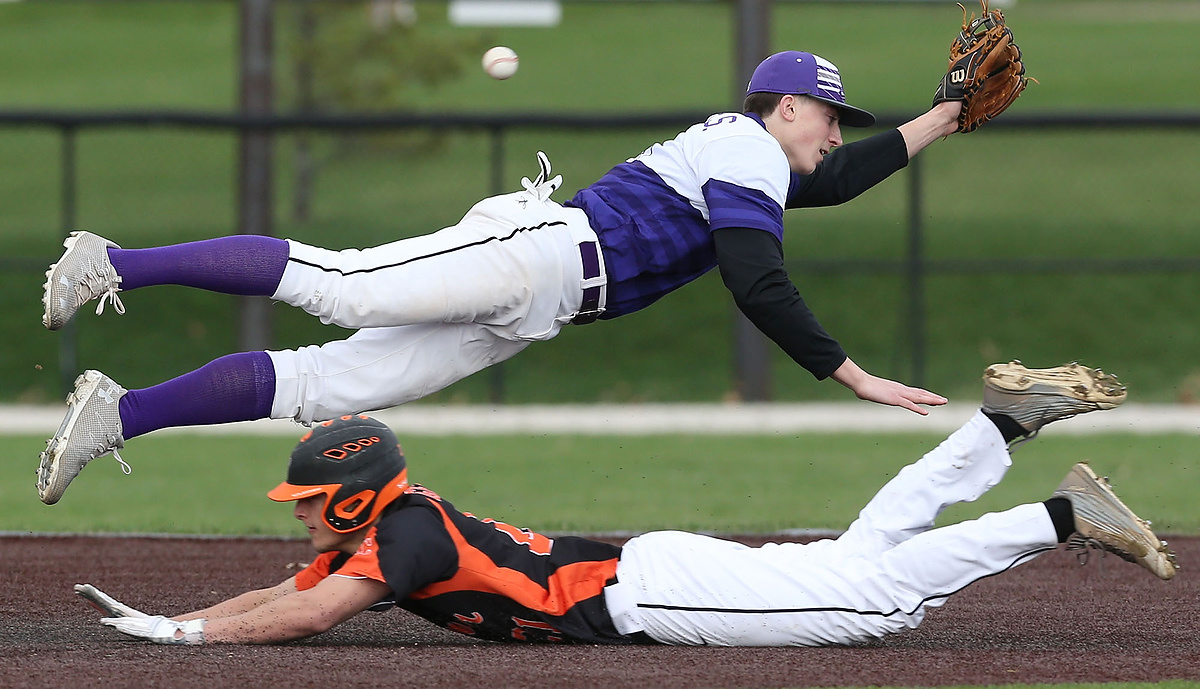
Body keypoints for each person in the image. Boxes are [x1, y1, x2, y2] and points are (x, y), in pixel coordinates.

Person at [37, 49, 966, 504]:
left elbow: (832, 180)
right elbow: (757, 282)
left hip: (539, 303)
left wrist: (940, 120)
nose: (836, 131)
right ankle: (110, 260)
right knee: (343, 282)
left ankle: (119, 412)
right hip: (538, 257)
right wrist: (849, 373)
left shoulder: (760, 159)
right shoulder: (748, 144)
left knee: (329, 386)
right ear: (788, 105)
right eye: (829, 115)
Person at [79, 362, 1176, 647]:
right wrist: (185, 622)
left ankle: (1059, 518)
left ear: (358, 493)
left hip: (654, 593)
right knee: (857, 557)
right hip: (651, 568)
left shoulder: (400, 536)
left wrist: (186, 636)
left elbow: (310, 613)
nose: (302, 517)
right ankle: (999, 428)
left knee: (873, 602)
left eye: (314, 500)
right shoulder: (393, 523)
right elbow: (285, 591)